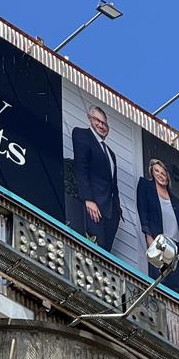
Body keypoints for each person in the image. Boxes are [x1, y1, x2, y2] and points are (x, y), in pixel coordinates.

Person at [136, 158, 179, 291]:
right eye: (157, 171)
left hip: (176, 250)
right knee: (158, 284)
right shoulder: (145, 186)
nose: (160, 175)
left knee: (174, 289)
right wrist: (148, 237)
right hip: (159, 244)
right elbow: (143, 212)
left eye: (163, 173)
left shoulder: (177, 202)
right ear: (151, 172)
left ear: (168, 177)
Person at [71, 105, 122, 251]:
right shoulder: (81, 135)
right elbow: (81, 167)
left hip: (111, 212)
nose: (101, 125)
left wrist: (117, 210)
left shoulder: (111, 153)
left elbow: (113, 183)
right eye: (96, 120)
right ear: (89, 119)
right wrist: (88, 199)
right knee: (92, 249)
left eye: (104, 123)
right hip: (94, 206)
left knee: (105, 253)